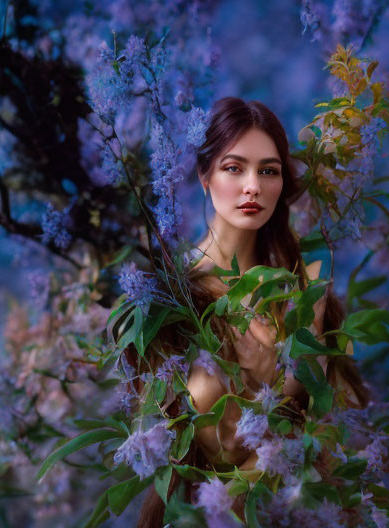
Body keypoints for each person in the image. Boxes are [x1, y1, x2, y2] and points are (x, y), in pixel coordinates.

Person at [133, 97, 369, 527]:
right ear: (204, 175)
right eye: (234, 167)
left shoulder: (303, 291)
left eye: (268, 171)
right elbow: (164, 442)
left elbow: (308, 428)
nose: (252, 187)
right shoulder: (168, 298)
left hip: (291, 509)